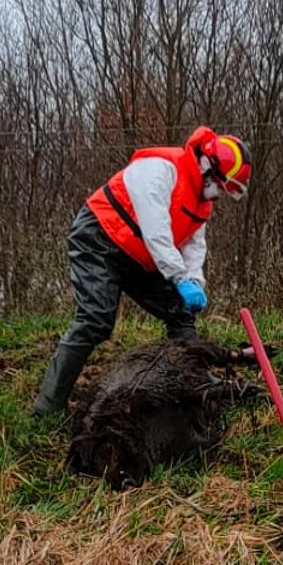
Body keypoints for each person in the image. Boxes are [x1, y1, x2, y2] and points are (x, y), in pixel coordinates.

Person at [33, 126, 252, 415]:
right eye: (223, 187)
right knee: (96, 319)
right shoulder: (160, 169)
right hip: (99, 238)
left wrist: (194, 281)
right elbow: (156, 231)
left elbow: (194, 246)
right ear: (209, 169)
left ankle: (197, 384)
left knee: (179, 313)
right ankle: (47, 407)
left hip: (140, 255)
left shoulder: (201, 203)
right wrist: (179, 277)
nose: (220, 195)